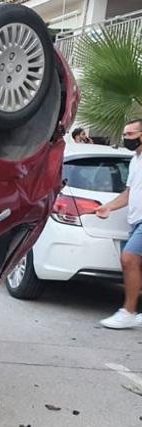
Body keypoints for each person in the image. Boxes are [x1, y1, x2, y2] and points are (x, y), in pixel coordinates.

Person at [96, 118, 142, 329]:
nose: (126, 139)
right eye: (125, 134)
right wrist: (109, 207)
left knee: (129, 259)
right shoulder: (135, 160)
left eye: (131, 135)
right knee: (134, 264)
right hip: (135, 220)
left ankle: (129, 312)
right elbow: (129, 193)